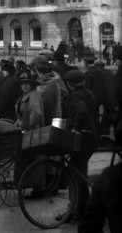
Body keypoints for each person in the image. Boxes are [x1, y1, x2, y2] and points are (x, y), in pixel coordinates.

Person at [62, 70, 99, 220]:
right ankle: (80, 209)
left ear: (70, 84)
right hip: (90, 136)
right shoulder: (88, 93)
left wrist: (74, 127)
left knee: (75, 172)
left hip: (83, 137)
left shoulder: (77, 96)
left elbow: (82, 111)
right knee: (78, 172)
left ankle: (78, 209)